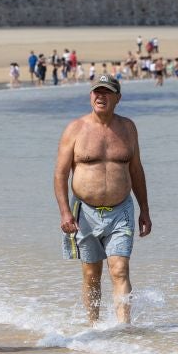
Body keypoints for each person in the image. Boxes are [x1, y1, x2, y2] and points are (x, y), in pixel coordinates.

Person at [54, 75, 151, 326]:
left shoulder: (128, 128)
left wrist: (145, 210)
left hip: (122, 210)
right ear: (90, 96)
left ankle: (123, 328)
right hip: (84, 212)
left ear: (118, 98)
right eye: (96, 92)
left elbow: (137, 170)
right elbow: (61, 173)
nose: (100, 96)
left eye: (107, 92)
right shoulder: (75, 129)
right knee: (91, 274)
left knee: (119, 269)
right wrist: (65, 212)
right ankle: (94, 326)